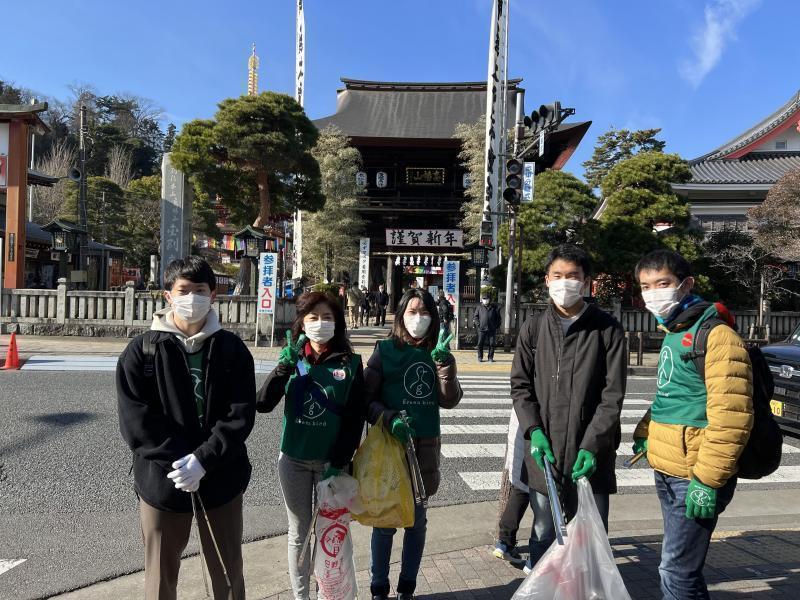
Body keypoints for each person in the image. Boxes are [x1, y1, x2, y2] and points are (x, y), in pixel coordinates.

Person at [116, 256, 256, 600]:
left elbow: (240, 415)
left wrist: (203, 460)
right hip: (162, 483)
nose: (192, 297)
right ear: (168, 295)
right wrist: (180, 462)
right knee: (160, 580)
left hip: (221, 478)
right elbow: (137, 421)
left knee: (227, 575)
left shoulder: (232, 350)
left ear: (213, 296)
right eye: (184, 290)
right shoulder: (142, 351)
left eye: (200, 290)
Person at [632, 250, 753, 600]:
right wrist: (647, 435)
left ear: (686, 285)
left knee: (675, 570)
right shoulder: (674, 330)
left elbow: (732, 415)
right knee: (681, 568)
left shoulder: (715, 335)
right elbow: (672, 395)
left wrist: (708, 480)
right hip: (669, 467)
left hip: (695, 473)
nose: (653, 293)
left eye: (663, 284)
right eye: (645, 286)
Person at [511, 244, 626, 574]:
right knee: (544, 529)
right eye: (558, 276)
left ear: (587, 281)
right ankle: (544, 589)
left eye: (573, 276)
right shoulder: (532, 328)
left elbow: (612, 395)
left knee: (591, 533)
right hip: (542, 453)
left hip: (591, 453)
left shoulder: (608, 330)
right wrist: (533, 431)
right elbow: (521, 386)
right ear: (547, 280)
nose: (565, 282)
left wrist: (592, 445)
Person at [256, 291, 365, 600]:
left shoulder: (352, 364)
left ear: (338, 323)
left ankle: (327, 594)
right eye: (313, 318)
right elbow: (263, 404)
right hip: (293, 460)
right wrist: (282, 370)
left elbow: (355, 419)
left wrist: (339, 460)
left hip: (332, 463)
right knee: (299, 533)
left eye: (327, 318)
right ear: (302, 323)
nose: (320, 324)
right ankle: (301, 596)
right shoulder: (293, 358)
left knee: (331, 534)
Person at [364, 289, 463, 600]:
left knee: (417, 522)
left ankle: (407, 588)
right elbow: (365, 398)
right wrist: (388, 416)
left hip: (424, 449)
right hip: (389, 449)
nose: (418, 318)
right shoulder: (384, 351)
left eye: (424, 312)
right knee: (385, 523)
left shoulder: (438, 351)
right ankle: (379, 588)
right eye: (412, 311)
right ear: (400, 314)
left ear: (433, 318)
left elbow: (450, 400)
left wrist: (444, 366)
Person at [473, 292, 501, 362]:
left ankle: (490, 357)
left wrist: (496, 326)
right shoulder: (479, 307)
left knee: (492, 344)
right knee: (480, 344)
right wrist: (478, 324)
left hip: (491, 329)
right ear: (482, 300)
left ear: (489, 300)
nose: (485, 300)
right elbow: (475, 317)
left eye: (487, 299)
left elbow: (498, 318)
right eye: (484, 299)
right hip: (482, 329)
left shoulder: (494, 308)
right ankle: (480, 357)